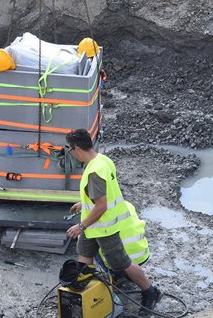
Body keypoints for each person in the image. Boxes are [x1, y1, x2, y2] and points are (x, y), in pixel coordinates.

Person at [65, 129, 162, 312]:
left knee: (121, 263)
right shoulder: (102, 160)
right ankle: (87, 298)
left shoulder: (94, 172)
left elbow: (101, 206)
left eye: (70, 149)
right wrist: (83, 203)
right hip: (93, 226)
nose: (71, 153)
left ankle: (150, 292)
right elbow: (103, 194)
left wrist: (80, 226)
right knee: (84, 256)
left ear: (77, 148)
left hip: (104, 228)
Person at [69, 201, 151, 277]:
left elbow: (87, 247)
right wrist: (84, 204)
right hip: (141, 256)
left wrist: (80, 226)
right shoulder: (126, 204)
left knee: (87, 240)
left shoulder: (97, 217)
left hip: (120, 263)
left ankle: (115, 275)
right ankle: (140, 283)